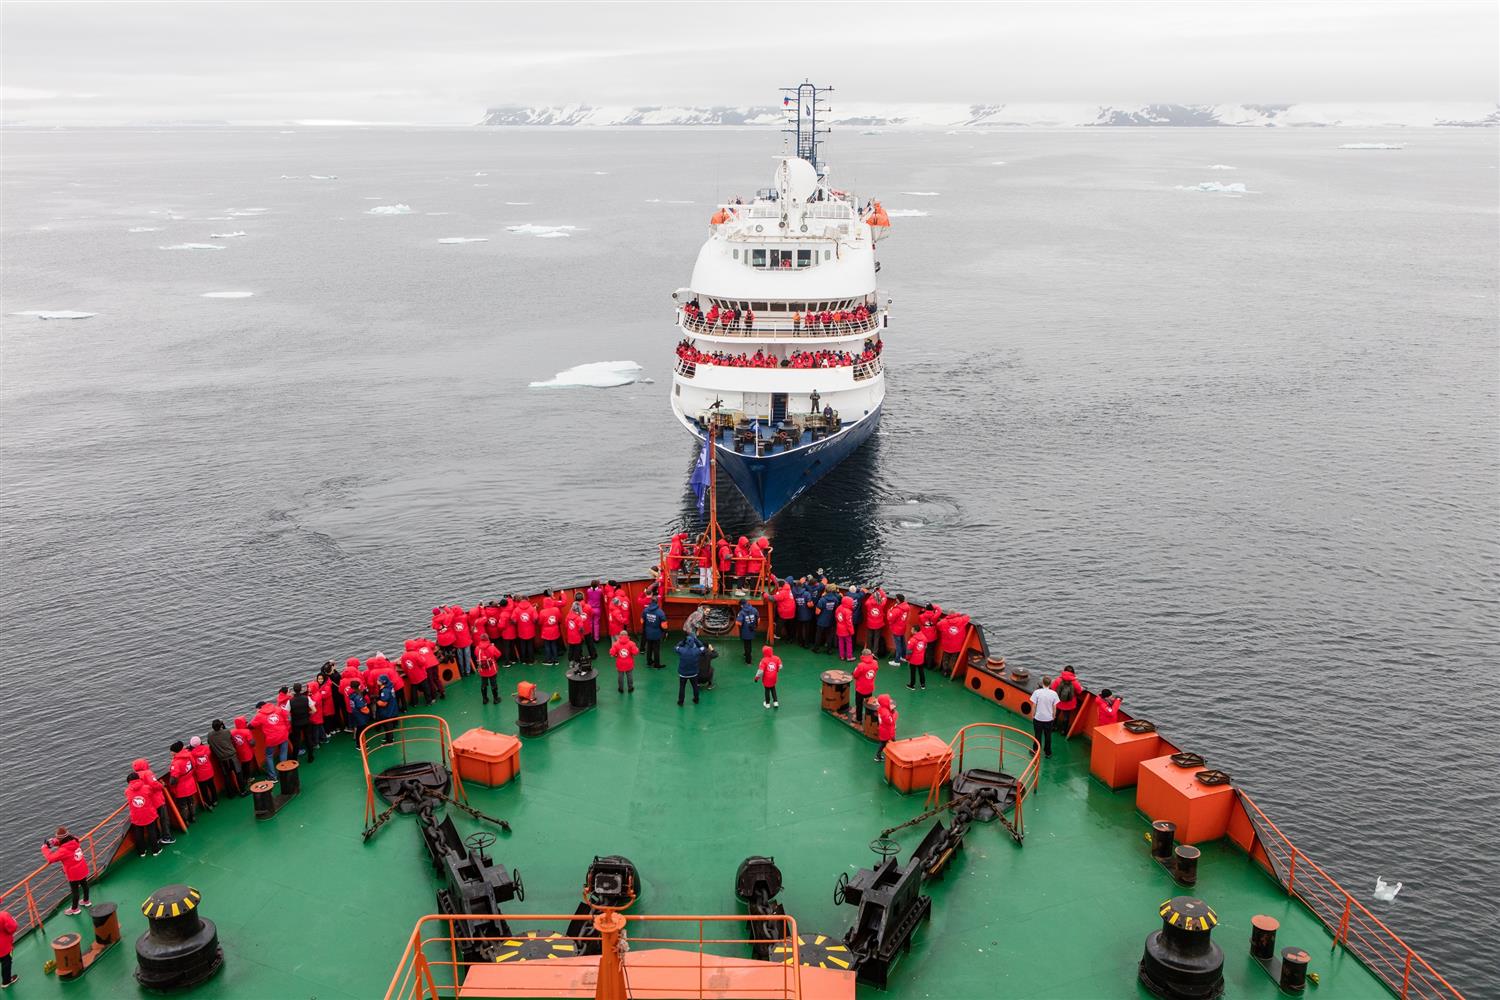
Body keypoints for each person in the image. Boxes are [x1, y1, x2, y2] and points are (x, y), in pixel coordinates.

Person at [40, 828, 91, 914]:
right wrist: (54, 842)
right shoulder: (75, 840)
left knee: (75, 892)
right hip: (82, 868)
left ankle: (75, 909)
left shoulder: (63, 851)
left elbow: (51, 858)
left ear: (60, 839)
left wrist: (44, 848)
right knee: (85, 885)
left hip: (73, 874)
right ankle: (86, 901)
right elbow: (64, 840)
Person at [251, 700, 291, 780]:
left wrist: (257, 714)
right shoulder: (278, 708)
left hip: (272, 739)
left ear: (260, 708)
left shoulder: (259, 715)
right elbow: (287, 715)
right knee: (283, 753)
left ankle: (273, 776)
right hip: (283, 734)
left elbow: (251, 725)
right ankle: (284, 772)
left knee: (269, 756)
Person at [125, 769, 161, 858]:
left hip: (136, 816)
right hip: (149, 814)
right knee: (152, 832)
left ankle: (142, 852)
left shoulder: (127, 791)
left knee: (139, 834)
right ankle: (155, 850)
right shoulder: (146, 788)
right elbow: (152, 794)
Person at [208, 720, 244, 797]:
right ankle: (242, 791)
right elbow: (230, 738)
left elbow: (209, 743)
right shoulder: (227, 732)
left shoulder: (210, 735)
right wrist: (224, 726)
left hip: (222, 759)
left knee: (226, 777)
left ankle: (230, 794)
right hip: (232, 757)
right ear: (221, 726)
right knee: (238, 773)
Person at [167, 741, 198, 824]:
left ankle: (186, 820)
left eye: (172, 751)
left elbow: (174, 779)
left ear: (175, 751)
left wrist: (170, 785)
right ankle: (193, 816)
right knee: (191, 801)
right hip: (190, 782)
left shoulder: (176, 763)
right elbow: (194, 766)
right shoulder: (188, 755)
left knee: (183, 805)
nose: (170, 753)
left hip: (181, 788)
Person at [1030, 678, 1060, 758]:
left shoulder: (1037, 692)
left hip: (1038, 718)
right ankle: (1048, 753)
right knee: (1048, 736)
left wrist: (1032, 715)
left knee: (1037, 735)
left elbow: (1034, 705)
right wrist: (1053, 716)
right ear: (1050, 684)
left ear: (1042, 683)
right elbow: (1054, 707)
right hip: (1049, 719)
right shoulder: (1054, 694)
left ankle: (1035, 751)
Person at [289, 684, 316, 763]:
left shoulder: (290, 701)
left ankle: (295, 759)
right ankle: (310, 757)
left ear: (294, 690)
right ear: (301, 689)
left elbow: (286, 713)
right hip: (306, 722)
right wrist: (308, 714)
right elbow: (314, 710)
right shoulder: (307, 698)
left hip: (296, 723)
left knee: (296, 741)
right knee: (308, 739)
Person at [937, 611, 970, 675]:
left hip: (946, 645)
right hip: (956, 645)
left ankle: (944, 671)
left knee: (945, 657)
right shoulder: (961, 620)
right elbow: (967, 617)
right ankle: (950, 671)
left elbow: (938, 625)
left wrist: (945, 618)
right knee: (953, 659)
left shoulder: (943, 622)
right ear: (955, 614)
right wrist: (958, 614)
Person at [189, 736, 219, 805]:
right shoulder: (206, 748)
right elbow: (209, 753)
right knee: (212, 786)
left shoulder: (191, 754)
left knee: (204, 790)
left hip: (200, 775)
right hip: (209, 772)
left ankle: (208, 803)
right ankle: (215, 800)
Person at [1051, 666, 1082, 735]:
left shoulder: (1058, 680)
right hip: (1069, 704)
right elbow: (1079, 691)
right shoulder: (1075, 682)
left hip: (1058, 702)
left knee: (1056, 714)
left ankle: (1053, 727)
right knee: (1066, 717)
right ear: (1073, 673)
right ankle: (1063, 731)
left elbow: (1053, 689)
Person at [675, 634, 704, 706]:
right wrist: (696, 640)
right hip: (693, 673)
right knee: (695, 687)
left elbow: (676, 647)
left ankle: (680, 701)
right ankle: (696, 699)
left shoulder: (681, 650)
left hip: (683, 673)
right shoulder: (696, 651)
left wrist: (683, 641)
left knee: (682, 687)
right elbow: (702, 647)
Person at [230, 717, 256, 791]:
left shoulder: (232, 732)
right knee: (247, 766)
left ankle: (245, 779)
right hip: (247, 753)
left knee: (243, 766)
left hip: (238, 753)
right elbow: (252, 743)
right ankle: (248, 779)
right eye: (245, 722)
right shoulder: (247, 731)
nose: (246, 723)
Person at [853, 650, 879, 724]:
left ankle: (859, 719)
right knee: (868, 704)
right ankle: (868, 718)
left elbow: (855, 675)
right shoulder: (875, 663)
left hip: (860, 689)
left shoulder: (861, 665)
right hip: (870, 688)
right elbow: (876, 669)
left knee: (859, 704)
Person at [641, 598, 668, 667]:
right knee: (656, 649)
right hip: (656, 633)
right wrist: (665, 632)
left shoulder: (645, 610)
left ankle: (649, 661)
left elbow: (642, 621)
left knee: (649, 647)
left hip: (648, 632)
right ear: (657, 602)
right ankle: (657, 664)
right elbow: (664, 625)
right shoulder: (660, 612)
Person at [886, 594, 910, 665]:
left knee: (898, 645)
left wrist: (889, 611)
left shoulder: (898, 610)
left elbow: (890, 618)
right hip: (902, 627)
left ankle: (897, 661)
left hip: (896, 629)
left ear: (898, 600)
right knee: (903, 643)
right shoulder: (906, 607)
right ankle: (903, 656)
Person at [813, 587, 840, 653]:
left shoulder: (822, 600)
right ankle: (829, 650)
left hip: (821, 621)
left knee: (819, 635)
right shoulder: (835, 599)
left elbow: (817, 612)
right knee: (829, 635)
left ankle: (816, 648)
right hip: (830, 620)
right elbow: (836, 609)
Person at [863, 588, 887, 657]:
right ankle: (875, 653)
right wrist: (881, 591)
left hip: (870, 623)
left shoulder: (868, 603)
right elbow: (885, 597)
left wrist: (873, 594)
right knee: (877, 638)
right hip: (879, 624)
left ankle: (868, 651)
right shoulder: (881, 603)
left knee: (869, 637)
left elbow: (868, 600)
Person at [539, 598, 563, 665]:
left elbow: (540, 622)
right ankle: (556, 660)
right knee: (554, 645)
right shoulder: (556, 609)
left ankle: (549, 660)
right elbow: (560, 619)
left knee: (547, 645)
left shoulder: (542, 611)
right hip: (555, 630)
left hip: (546, 632)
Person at [874, 694, 898, 762]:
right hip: (887, 731)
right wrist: (895, 714)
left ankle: (878, 756)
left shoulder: (881, 708)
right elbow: (890, 721)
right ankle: (879, 756)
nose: (890, 701)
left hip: (884, 729)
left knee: (884, 743)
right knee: (886, 743)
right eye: (888, 700)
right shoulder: (885, 712)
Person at [564, 600, 588, 667]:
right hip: (577, 637)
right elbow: (581, 628)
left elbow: (566, 625)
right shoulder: (578, 618)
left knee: (571, 649)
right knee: (577, 650)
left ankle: (571, 662)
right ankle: (577, 662)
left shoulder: (568, 616)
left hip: (570, 636)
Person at [735, 598, 760, 663]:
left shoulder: (741, 612)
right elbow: (758, 619)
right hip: (752, 630)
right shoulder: (754, 609)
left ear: (742, 605)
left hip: (745, 631)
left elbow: (738, 623)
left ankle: (748, 660)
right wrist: (755, 626)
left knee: (747, 645)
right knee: (749, 643)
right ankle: (746, 654)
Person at [0, 904, 17, 988]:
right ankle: (6, 981)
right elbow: (13, 927)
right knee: (6, 963)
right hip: (4, 948)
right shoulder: (3, 915)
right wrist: (13, 920)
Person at [835, 596, 856, 661]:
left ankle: (842, 656)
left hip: (839, 628)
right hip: (846, 630)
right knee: (849, 643)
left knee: (841, 642)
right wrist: (851, 631)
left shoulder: (839, 608)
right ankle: (849, 656)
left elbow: (836, 616)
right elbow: (849, 623)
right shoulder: (848, 611)